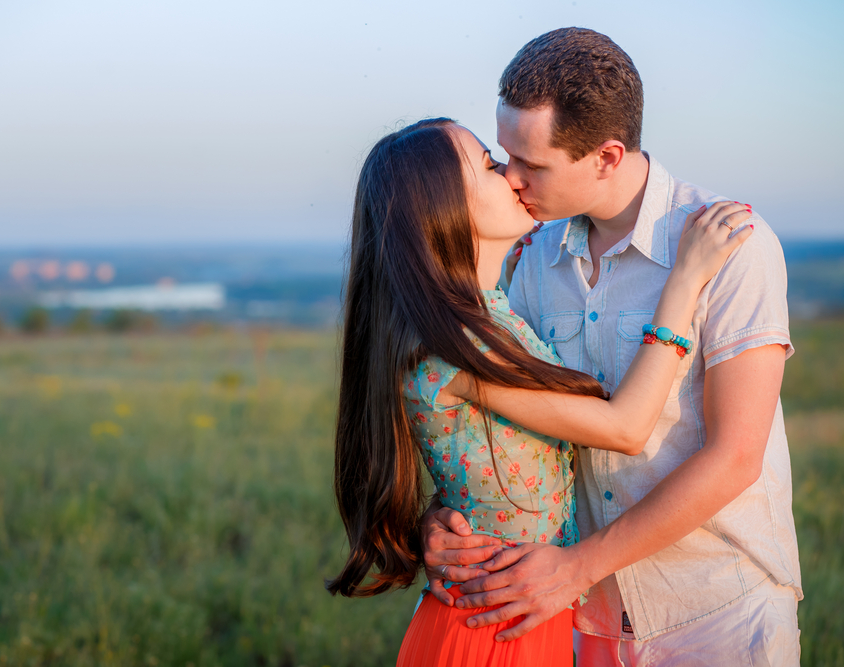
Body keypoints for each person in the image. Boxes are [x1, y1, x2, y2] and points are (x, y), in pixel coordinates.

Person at [420, 28, 802, 666]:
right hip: (580, 616)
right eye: (504, 155)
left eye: (532, 164)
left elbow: (736, 457)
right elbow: (523, 426)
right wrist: (448, 515)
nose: (511, 179)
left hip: (714, 610)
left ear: (606, 156)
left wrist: (575, 568)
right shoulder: (534, 258)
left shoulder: (730, 242)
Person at [325, 115, 752, 665]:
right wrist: (684, 283)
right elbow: (624, 428)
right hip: (492, 629)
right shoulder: (460, 347)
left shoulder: (489, 318)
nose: (512, 175)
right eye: (489, 165)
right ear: (443, 211)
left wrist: (442, 513)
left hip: (516, 614)